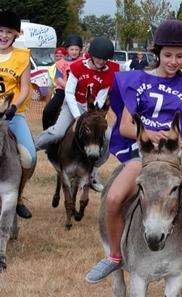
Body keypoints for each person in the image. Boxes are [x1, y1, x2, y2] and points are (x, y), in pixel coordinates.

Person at [85, 20, 182, 293]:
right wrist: (151, 134)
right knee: (112, 198)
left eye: (179, 56)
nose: (173, 61)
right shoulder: (137, 80)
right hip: (142, 156)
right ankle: (114, 255)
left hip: (175, 161)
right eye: (168, 55)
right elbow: (124, 126)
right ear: (157, 53)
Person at [34, 37, 119, 192]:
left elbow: (101, 98)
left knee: (107, 136)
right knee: (58, 132)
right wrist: (78, 116)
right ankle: (32, 148)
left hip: (93, 111)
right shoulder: (78, 67)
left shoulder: (110, 73)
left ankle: (93, 170)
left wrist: (92, 115)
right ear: (92, 55)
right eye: (99, 58)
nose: (102, 62)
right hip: (72, 104)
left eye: (105, 59)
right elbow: (69, 92)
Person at [0, 10, 36, 219]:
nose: (4, 35)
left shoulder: (22, 56)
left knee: (28, 157)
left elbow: (24, 89)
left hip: (13, 114)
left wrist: (13, 106)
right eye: (1, 31)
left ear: (16, 34)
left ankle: (19, 195)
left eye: (8, 32)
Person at [42, 34, 84, 130]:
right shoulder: (61, 63)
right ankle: (47, 132)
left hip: (79, 91)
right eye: (72, 49)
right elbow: (59, 78)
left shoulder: (83, 62)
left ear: (80, 50)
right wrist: (69, 88)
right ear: (67, 50)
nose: (74, 52)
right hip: (62, 92)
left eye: (76, 49)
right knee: (47, 111)